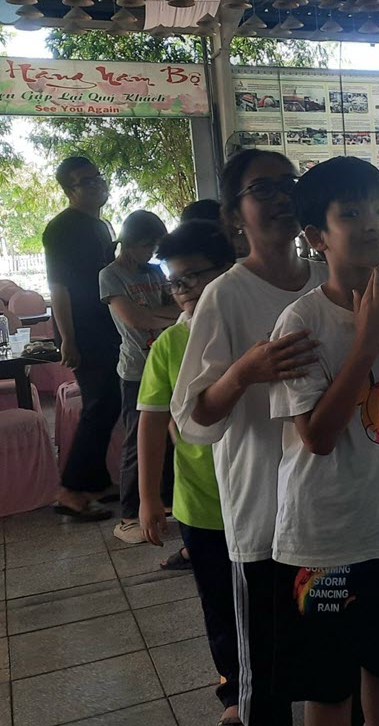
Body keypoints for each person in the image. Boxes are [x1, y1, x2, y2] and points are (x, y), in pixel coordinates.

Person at [269, 156, 379, 726]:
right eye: (351, 213)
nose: (373, 222)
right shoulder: (300, 322)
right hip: (325, 539)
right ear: (315, 236)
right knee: (329, 689)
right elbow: (317, 437)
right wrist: (369, 339)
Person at [171, 149, 328, 726]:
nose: (282, 196)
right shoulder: (225, 295)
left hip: (330, 507)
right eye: (263, 189)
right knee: (265, 670)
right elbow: (191, 417)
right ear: (235, 214)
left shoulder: (330, 281)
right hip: (262, 507)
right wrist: (244, 372)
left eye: (290, 183)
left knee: (332, 658)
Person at [136, 220, 241, 724]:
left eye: (193, 277)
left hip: (268, 497)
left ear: (228, 270)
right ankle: (234, 692)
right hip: (202, 503)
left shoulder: (257, 327)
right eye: (175, 282)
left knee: (278, 597)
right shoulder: (169, 345)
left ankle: (285, 678)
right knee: (219, 605)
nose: (184, 291)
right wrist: (148, 499)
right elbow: (151, 423)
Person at [44, 156, 121, 521]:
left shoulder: (100, 225)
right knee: (100, 405)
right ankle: (70, 490)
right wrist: (67, 339)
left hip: (106, 326)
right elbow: (58, 287)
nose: (96, 185)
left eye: (97, 177)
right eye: (86, 182)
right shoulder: (61, 228)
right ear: (69, 190)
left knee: (105, 402)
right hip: (82, 330)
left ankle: (95, 483)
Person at [100, 210, 180, 544]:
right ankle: (129, 514)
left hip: (166, 364)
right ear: (129, 242)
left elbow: (180, 309)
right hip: (135, 370)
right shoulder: (110, 275)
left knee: (170, 437)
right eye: (147, 246)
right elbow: (134, 319)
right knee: (137, 442)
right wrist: (163, 317)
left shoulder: (155, 271)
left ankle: (165, 501)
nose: (151, 253)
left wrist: (156, 315)